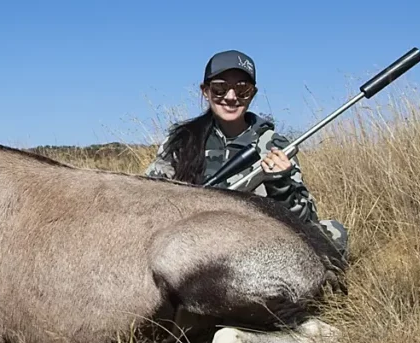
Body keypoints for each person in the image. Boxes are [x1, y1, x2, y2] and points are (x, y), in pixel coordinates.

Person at [144, 49, 349, 257]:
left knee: (333, 233)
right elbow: (149, 196)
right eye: (219, 89)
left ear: (253, 93)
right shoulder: (180, 139)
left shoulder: (275, 145)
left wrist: (282, 184)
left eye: (242, 90)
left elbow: (306, 220)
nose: (231, 97)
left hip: (252, 238)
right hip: (187, 240)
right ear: (205, 91)